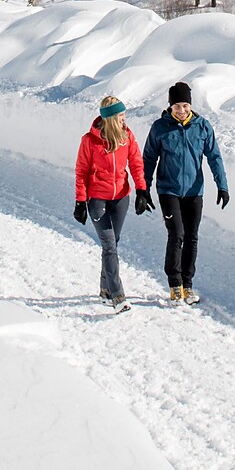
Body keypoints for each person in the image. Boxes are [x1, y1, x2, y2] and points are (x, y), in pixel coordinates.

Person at [140, 81, 228, 305]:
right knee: (177, 234)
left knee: (191, 237)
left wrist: (222, 185)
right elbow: (149, 158)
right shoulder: (160, 127)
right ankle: (174, 284)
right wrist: (144, 189)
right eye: (177, 106)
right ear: (170, 106)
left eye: (185, 105)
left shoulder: (202, 127)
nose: (181, 110)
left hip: (194, 191)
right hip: (168, 189)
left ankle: (187, 284)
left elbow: (214, 157)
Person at [73, 94, 150, 311]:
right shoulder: (89, 140)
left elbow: (136, 163)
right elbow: (81, 172)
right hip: (97, 198)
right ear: (109, 118)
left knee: (112, 245)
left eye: (124, 115)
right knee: (109, 247)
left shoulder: (127, 136)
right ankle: (118, 296)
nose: (124, 119)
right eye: (120, 116)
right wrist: (80, 202)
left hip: (121, 198)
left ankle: (104, 290)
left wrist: (141, 190)